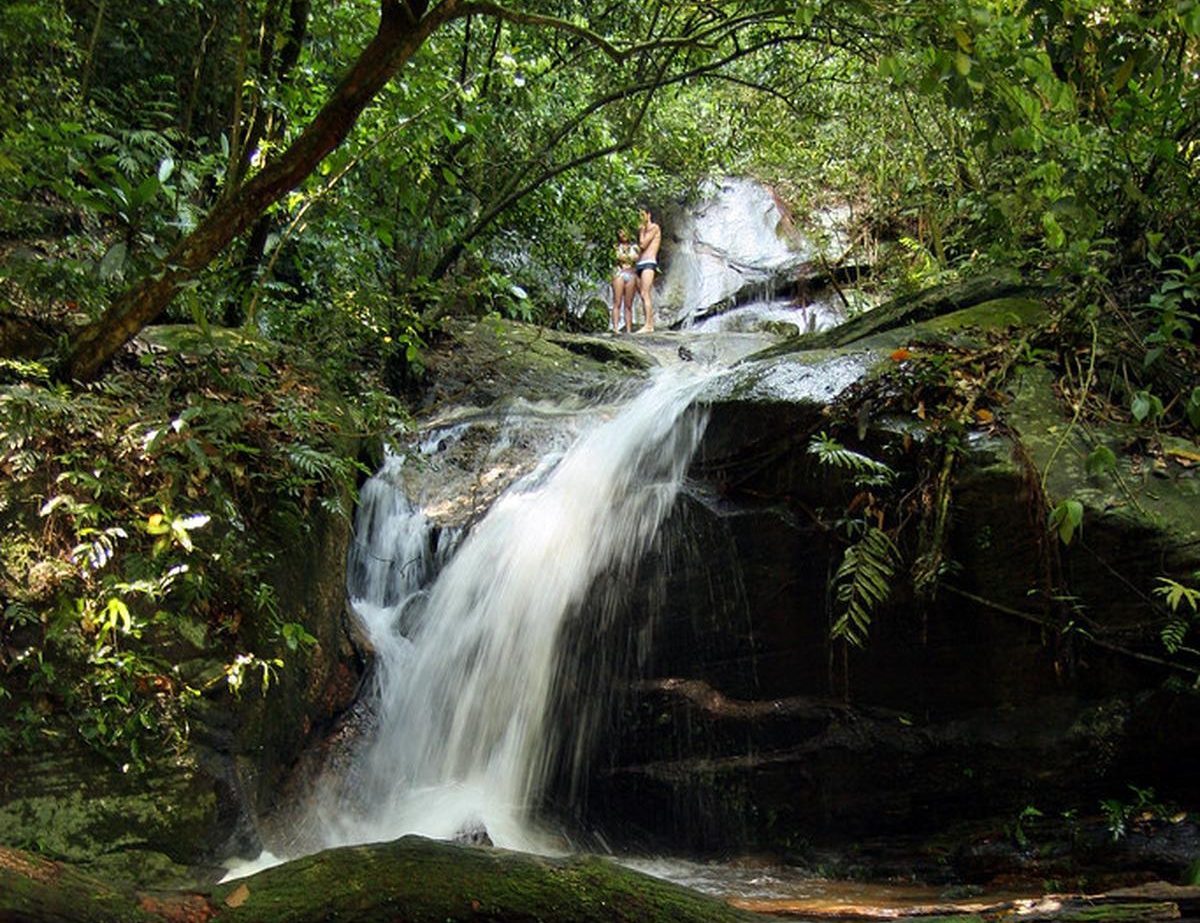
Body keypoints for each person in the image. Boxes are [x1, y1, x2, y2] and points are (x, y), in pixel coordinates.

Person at [634, 206, 661, 333]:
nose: (641, 218)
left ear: (648, 215)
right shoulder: (644, 229)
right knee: (642, 294)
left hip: (649, 263)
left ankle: (649, 325)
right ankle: (648, 323)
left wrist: (641, 231)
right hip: (640, 263)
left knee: (645, 293)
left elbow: (643, 244)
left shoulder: (654, 227)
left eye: (642, 215)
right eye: (639, 215)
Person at [611, 228, 639, 333]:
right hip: (619, 273)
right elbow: (616, 257)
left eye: (625, 231)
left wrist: (624, 257)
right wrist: (629, 258)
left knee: (628, 304)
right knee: (617, 302)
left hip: (631, 274)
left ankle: (628, 329)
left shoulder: (634, 247)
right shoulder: (615, 246)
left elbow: (637, 258)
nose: (623, 234)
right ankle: (615, 328)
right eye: (621, 232)